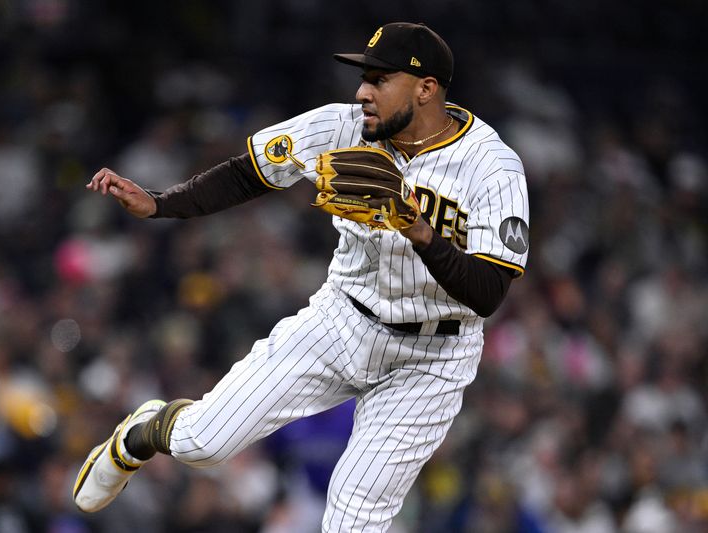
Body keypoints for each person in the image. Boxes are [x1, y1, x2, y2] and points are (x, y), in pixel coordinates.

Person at [73, 22, 529, 532]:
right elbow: (251, 171)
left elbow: (488, 293)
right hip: (344, 319)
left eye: (378, 79)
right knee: (203, 443)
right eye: (363, 78)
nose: (362, 92)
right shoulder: (342, 126)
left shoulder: (492, 168)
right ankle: (141, 433)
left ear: (425, 89)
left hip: (435, 357)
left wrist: (418, 229)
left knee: (354, 518)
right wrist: (160, 204)